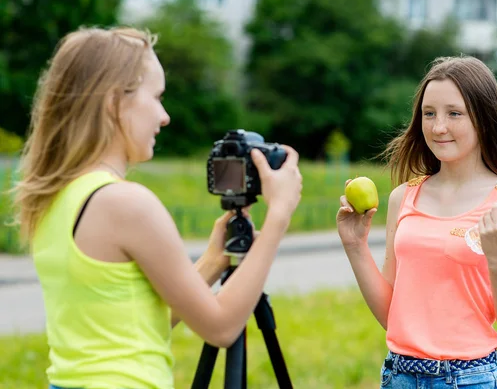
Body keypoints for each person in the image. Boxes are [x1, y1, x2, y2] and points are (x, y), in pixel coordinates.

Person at [12, 26, 302, 389]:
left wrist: (213, 261)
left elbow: (136, 321)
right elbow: (223, 327)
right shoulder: (126, 203)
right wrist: (278, 217)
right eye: (157, 97)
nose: (164, 117)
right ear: (114, 101)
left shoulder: (52, 196)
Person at [336, 56, 497, 388]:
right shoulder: (404, 197)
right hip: (398, 376)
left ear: (485, 119)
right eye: (428, 113)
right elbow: (393, 317)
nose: (437, 126)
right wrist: (355, 246)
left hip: (472, 379)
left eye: (454, 113)